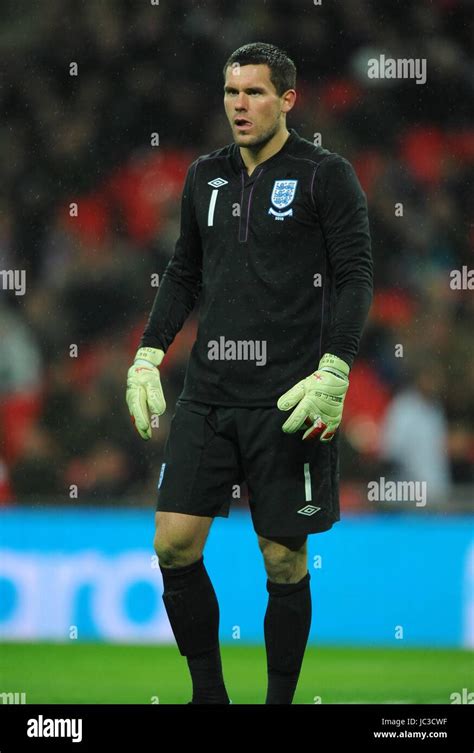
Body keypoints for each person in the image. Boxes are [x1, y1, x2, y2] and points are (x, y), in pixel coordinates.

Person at [126, 42, 373, 704]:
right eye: (232, 92)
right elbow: (184, 270)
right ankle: (209, 695)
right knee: (173, 544)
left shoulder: (326, 175)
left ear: (288, 99)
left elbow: (354, 275)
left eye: (255, 92)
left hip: (288, 398)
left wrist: (336, 366)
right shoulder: (203, 175)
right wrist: (149, 351)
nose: (240, 105)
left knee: (282, 558)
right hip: (208, 394)